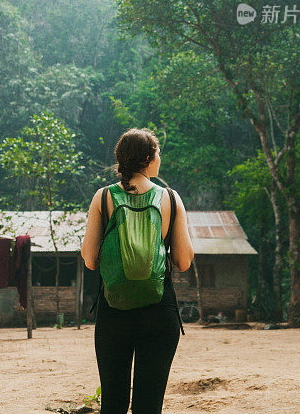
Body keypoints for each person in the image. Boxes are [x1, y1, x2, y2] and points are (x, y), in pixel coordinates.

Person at [81, 128, 194, 414]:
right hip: (159, 310)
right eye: (158, 154)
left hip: (114, 309)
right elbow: (183, 261)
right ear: (147, 158)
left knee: (114, 403)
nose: (160, 159)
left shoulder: (103, 197)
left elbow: (90, 260)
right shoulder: (170, 197)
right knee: (149, 405)